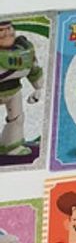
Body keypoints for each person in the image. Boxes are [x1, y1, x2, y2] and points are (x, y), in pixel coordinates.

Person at [0, 19, 42, 157]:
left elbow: (34, 69)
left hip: (14, 91)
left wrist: (38, 88)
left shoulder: (24, 50)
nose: (6, 33)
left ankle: (10, 146)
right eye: (1, 30)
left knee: (17, 119)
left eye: (9, 28)